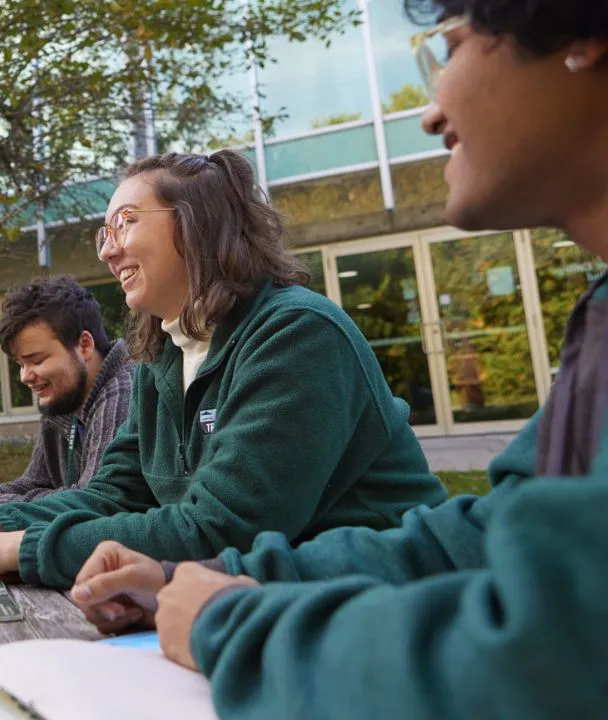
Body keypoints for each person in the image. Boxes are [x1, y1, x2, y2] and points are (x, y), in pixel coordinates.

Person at [70, 1, 608, 716]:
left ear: (584, 37)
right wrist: (196, 579)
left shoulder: (294, 332)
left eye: (449, 47)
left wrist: (228, 617)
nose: (428, 112)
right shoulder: (599, 322)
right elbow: (482, 536)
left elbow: (556, 646)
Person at [0, 149, 447, 587]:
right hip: (265, 603)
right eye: (104, 233)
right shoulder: (166, 355)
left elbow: (221, 530)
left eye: (123, 223)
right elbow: (115, 493)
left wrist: (14, 547)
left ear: (194, 225)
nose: (107, 251)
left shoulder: (297, 335)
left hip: (391, 601)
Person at [0, 276, 135, 518]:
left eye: (36, 360)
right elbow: (36, 483)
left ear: (84, 345)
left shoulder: (124, 393)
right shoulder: (65, 395)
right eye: (20, 364)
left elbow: (96, 501)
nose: (25, 376)